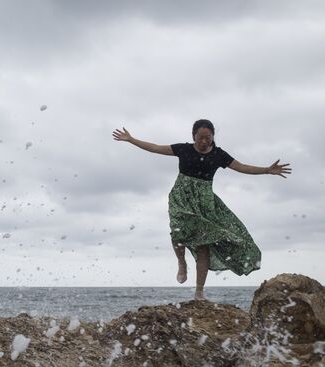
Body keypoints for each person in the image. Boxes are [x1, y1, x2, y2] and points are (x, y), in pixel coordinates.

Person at [112, 119, 291, 300]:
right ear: (193, 137)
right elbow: (156, 148)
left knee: (204, 245)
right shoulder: (184, 149)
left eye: (208, 138)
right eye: (200, 138)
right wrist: (131, 139)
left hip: (204, 202)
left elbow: (242, 167)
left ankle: (199, 292)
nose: (204, 141)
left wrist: (267, 170)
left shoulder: (219, 155)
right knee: (178, 232)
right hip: (181, 197)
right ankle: (182, 263)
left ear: (213, 137)